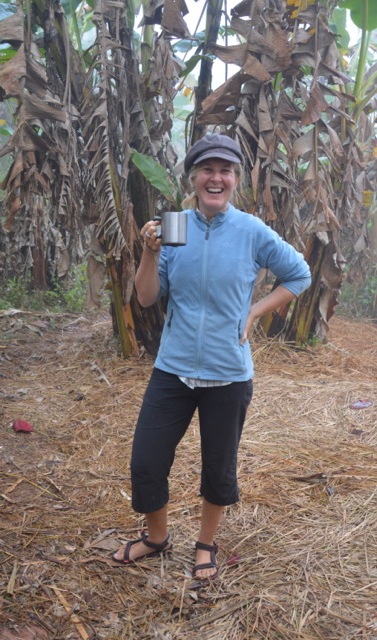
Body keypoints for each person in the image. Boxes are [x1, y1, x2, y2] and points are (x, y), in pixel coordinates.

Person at [111, 133, 311, 581]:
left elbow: (299, 274)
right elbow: (146, 298)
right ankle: (156, 538)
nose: (215, 178)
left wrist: (254, 312)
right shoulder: (175, 227)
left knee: (218, 468)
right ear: (194, 178)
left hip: (228, 373)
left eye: (225, 171)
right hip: (173, 368)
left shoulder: (251, 231)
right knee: (146, 461)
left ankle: (205, 544)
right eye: (207, 169)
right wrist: (149, 253)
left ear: (235, 179)